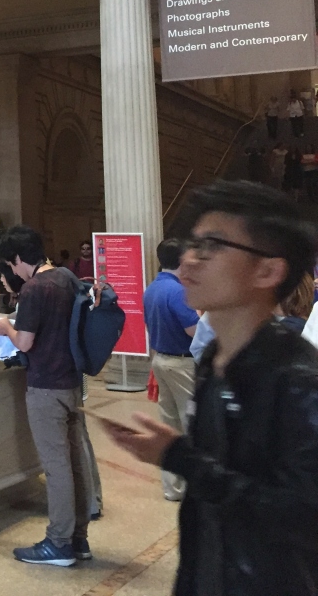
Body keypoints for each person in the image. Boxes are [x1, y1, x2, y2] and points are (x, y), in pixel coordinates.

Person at [105, 180, 318, 596]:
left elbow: (301, 517)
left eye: (211, 246)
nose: (189, 260)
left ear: (268, 270)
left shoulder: (295, 380)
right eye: (192, 244)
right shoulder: (212, 360)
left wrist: (180, 457)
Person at [0, 225, 92, 566]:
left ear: (19, 258)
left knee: (56, 466)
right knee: (75, 462)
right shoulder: (66, 278)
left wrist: (6, 327)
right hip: (71, 381)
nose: (14, 271)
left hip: (46, 384)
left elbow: (25, 342)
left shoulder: (34, 288)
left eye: (12, 264)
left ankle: (58, 542)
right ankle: (78, 538)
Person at [142, 237, 199, 503]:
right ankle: (197, 486)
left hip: (160, 359)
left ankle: (172, 488)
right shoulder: (177, 292)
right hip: (182, 363)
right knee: (192, 424)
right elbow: (194, 331)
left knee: (168, 425)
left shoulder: (152, 288)